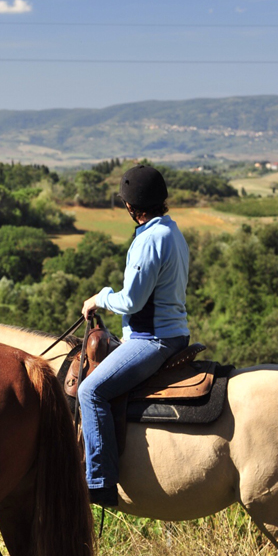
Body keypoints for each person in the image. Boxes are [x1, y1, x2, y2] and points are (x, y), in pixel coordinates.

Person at [78, 165, 190, 507]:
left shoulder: (149, 240)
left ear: (131, 207)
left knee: (90, 391)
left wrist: (100, 297)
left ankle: (98, 481)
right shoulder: (172, 231)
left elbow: (131, 300)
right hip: (168, 333)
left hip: (152, 339)